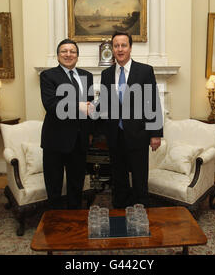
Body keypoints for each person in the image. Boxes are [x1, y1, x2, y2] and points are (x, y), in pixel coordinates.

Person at [99, 31, 163, 208]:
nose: (120, 49)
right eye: (116, 46)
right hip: (115, 136)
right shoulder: (106, 74)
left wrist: (155, 134)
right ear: (112, 49)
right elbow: (104, 105)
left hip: (138, 134)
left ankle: (141, 212)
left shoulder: (144, 71)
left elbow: (153, 103)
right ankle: (120, 210)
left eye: (123, 45)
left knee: (139, 178)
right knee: (118, 179)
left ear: (130, 48)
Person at [40, 39, 94, 209]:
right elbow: (51, 105)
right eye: (64, 51)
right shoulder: (48, 76)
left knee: (76, 185)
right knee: (54, 186)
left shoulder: (87, 76)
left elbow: (90, 106)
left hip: (79, 141)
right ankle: (55, 222)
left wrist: (92, 130)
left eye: (72, 51)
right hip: (55, 140)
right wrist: (79, 106)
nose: (68, 54)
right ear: (58, 56)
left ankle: (74, 218)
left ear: (77, 56)